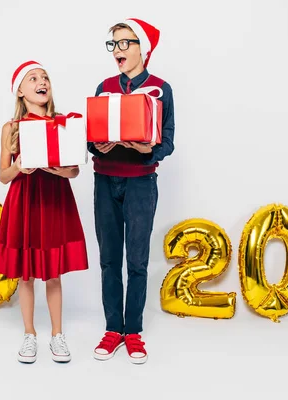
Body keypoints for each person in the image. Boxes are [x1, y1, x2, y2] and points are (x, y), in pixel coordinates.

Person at [88, 18, 176, 364]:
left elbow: (167, 139)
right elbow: (92, 137)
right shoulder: (104, 86)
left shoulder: (160, 88)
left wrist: (147, 151)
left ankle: (133, 331)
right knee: (109, 260)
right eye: (114, 44)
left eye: (125, 43)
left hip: (141, 182)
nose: (118, 51)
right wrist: (98, 147)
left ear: (144, 49)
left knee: (137, 261)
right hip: (104, 180)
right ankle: (113, 329)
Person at [0, 60, 89, 364]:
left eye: (44, 76)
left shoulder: (63, 123)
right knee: (26, 275)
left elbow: (74, 171)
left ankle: (57, 335)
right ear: (20, 91)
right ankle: (29, 333)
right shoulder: (11, 128)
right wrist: (20, 167)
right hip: (25, 200)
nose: (41, 81)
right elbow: (3, 175)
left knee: (53, 273)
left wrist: (57, 170)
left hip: (53, 198)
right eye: (32, 78)